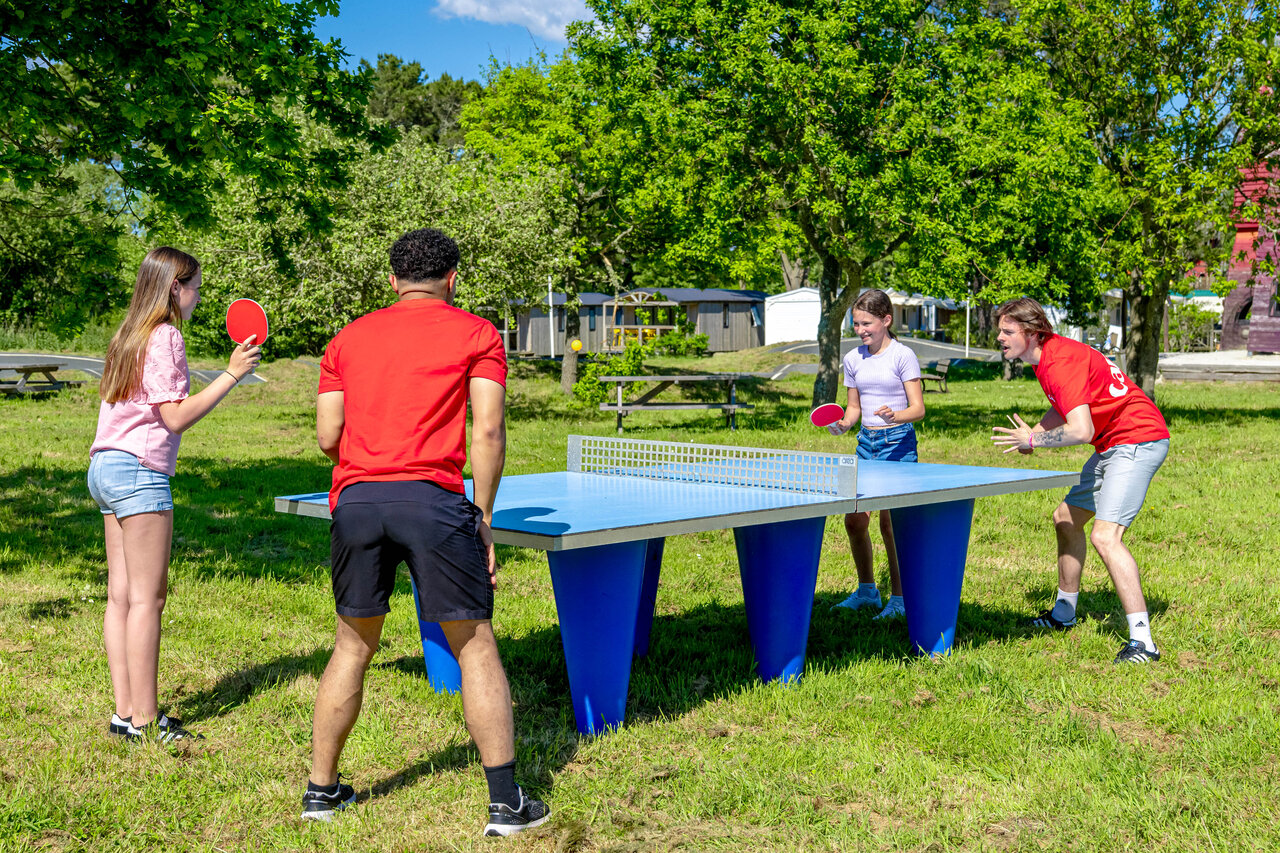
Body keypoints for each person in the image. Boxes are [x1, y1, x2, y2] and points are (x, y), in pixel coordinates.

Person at [304, 228, 549, 836]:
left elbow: (328, 439)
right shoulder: (477, 333)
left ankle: (320, 791)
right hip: (432, 503)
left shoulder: (345, 340)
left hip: (357, 501)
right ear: (453, 278)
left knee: (352, 645)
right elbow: (487, 433)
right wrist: (484, 517)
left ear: (392, 281)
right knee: (474, 645)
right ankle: (505, 804)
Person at [88, 247, 261, 742]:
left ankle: (126, 714)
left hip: (104, 467)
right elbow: (176, 416)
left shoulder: (128, 333)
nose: (198, 298)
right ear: (174, 288)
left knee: (120, 597)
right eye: (196, 288)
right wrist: (232, 373)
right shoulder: (165, 335)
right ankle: (144, 720)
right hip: (139, 471)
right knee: (148, 599)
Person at [990, 297, 1170, 664]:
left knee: (1105, 536)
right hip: (1114, 444)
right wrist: (1036, 434)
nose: (1000, 338)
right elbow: (1066, 405)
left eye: (1007, 331)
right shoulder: (1050, 358)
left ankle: (1144, 643)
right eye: (1000, 331)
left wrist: (1034, 439)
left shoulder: (1058, 362)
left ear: (1032, 332)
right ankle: (1064, 614)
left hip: (1137, 440)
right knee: (1066, 519)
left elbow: (1080, 428)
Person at [827, 289, 926, 620]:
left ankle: (899, 598)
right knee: (854, 519)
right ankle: (868, 591)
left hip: (898, 443)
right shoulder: (853, 359)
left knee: (890, 523)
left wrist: (895, 416)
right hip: (865, 444)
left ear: (886, 320)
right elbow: (854, 408)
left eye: (866, 323)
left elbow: (918, 409)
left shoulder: (903, 356)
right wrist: (843, 424)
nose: (860, 330)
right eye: (855, 324)